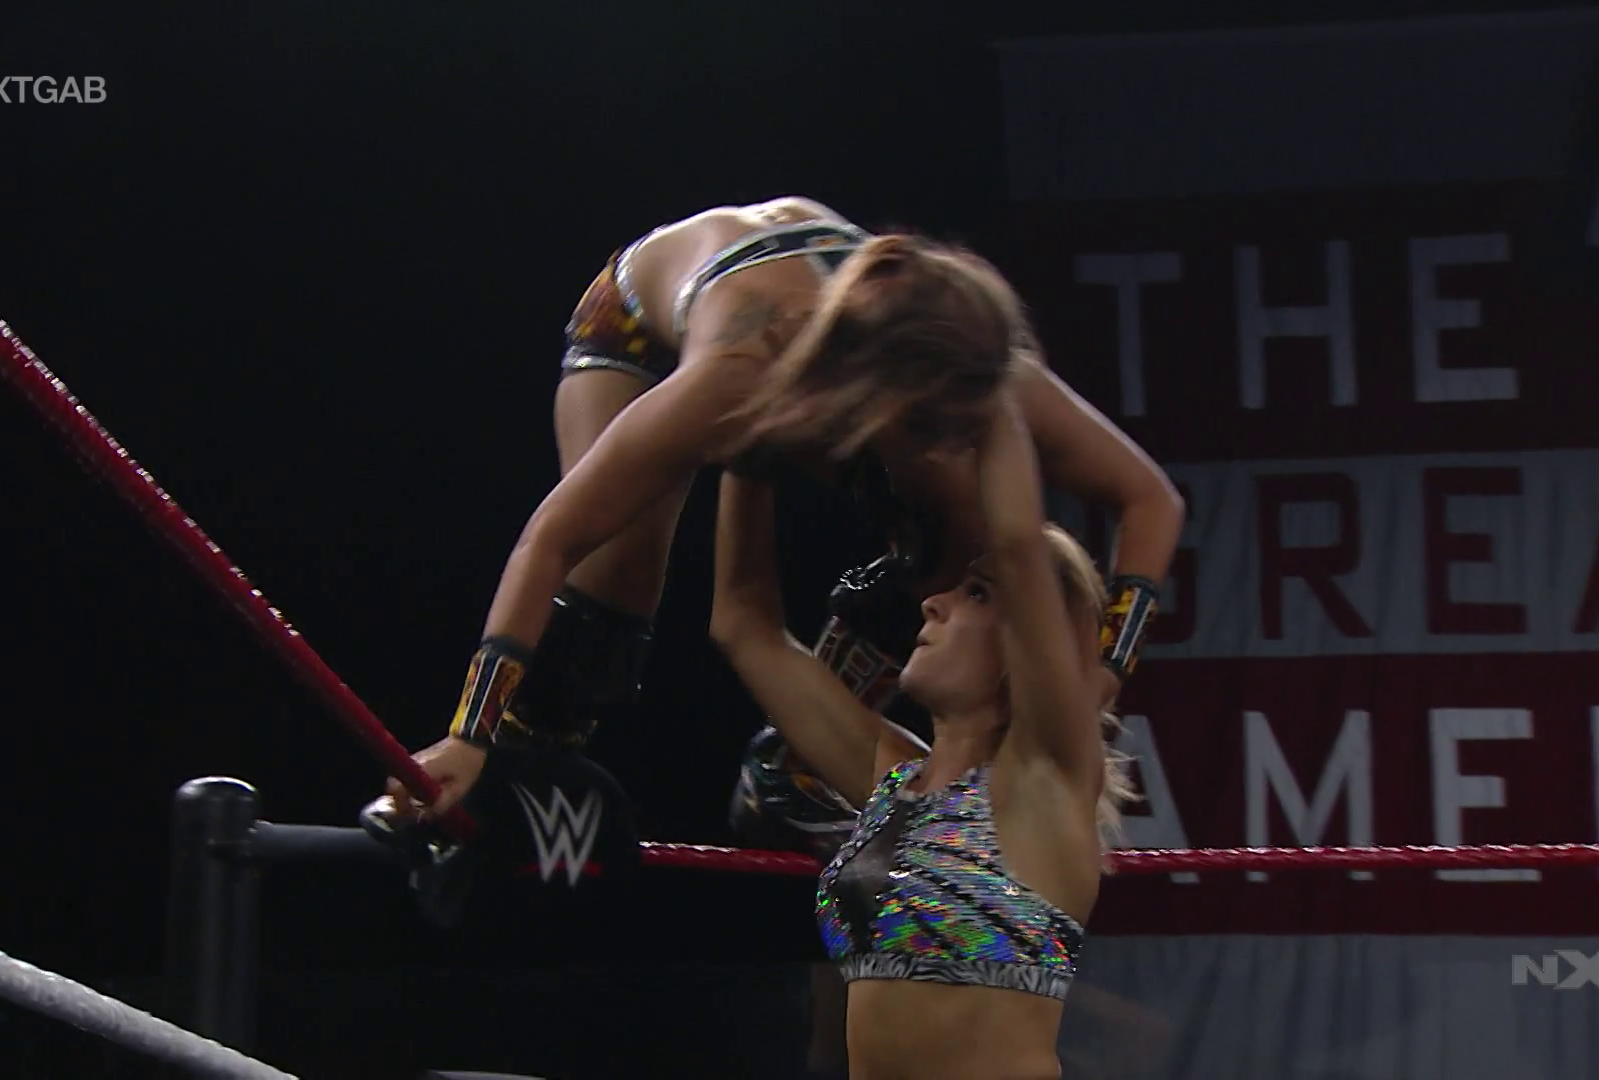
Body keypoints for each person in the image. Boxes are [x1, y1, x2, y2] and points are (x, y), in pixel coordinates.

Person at [375, 196, 1181, 834]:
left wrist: (1101, 678)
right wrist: (468, 734)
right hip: (641, 321)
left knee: (959, 531)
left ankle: (807, 750)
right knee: (608, 595)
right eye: (940, 429)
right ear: (884, 398)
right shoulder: (736, 373)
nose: (955, 447)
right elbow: (551, 536)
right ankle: (513, 760)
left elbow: (1150, 500)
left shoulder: (973, 356)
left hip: (825, 344)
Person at [707, 384, 1140, 1080]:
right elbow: (743, 625)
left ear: (1028, 647)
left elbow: (1019, 543)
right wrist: (747, 446)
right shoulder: (891, 782)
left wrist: (975, 373)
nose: (933, 604)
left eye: (976, 593)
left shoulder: (1045, 782)